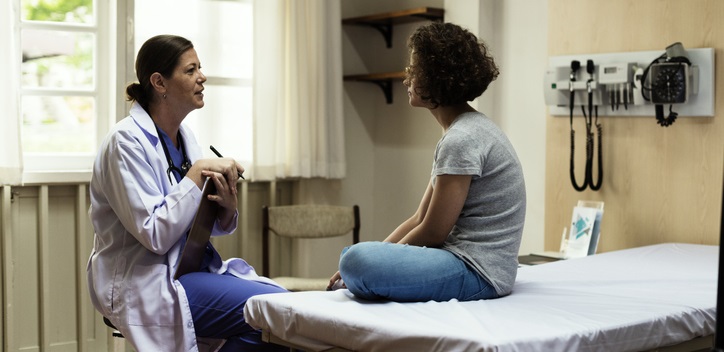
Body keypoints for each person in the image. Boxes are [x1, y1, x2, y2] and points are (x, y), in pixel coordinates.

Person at [86, 34, 287, 352]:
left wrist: (225, 208)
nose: (202, 77)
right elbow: (155, 234)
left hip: (186, 270)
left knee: (282, 315)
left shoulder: (185, 138)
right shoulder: (125, 143)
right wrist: (195, 175)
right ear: (159, 82)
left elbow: (199, 223)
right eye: (191, 70)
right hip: (142, 282)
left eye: (200, 68)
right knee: (278, 312)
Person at [328, 22, 526, 302]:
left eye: (414, 70)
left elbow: (434, 231)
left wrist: (373, 259)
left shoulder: (462, 139)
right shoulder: (463, 131)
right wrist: (381, 252)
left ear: (437, 78)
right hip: (471, 264)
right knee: (356, 257)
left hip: (479, 272)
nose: (406, 79)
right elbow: (420, 218)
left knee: (356, 260)